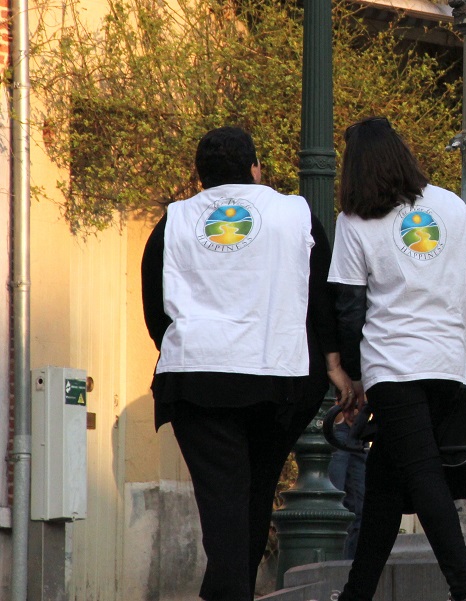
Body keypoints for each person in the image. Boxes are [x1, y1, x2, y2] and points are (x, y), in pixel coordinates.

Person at [141, 126, 352, 601]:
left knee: (222, 500)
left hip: (197, 377)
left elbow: (156, 311)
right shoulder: (294, 213)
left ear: (201, 177)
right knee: (255, 492)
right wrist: (337, 365)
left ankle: (226, 590)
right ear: (255, 169)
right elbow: (320, 298)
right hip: (279, 378)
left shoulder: (173, 222)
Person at [327, 116, 466, 601]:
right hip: (447, 366)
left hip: (394, 368)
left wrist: (352, 378)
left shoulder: (354, 221)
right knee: (384, 486)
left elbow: (349, 306)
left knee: (422, 479)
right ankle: (357, 593)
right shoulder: (451, 206)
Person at [328, 408, 367, 559]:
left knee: (360, 506)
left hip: (359, 428)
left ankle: (348, 565)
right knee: (335, 501)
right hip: (341, 424)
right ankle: (338, 560)